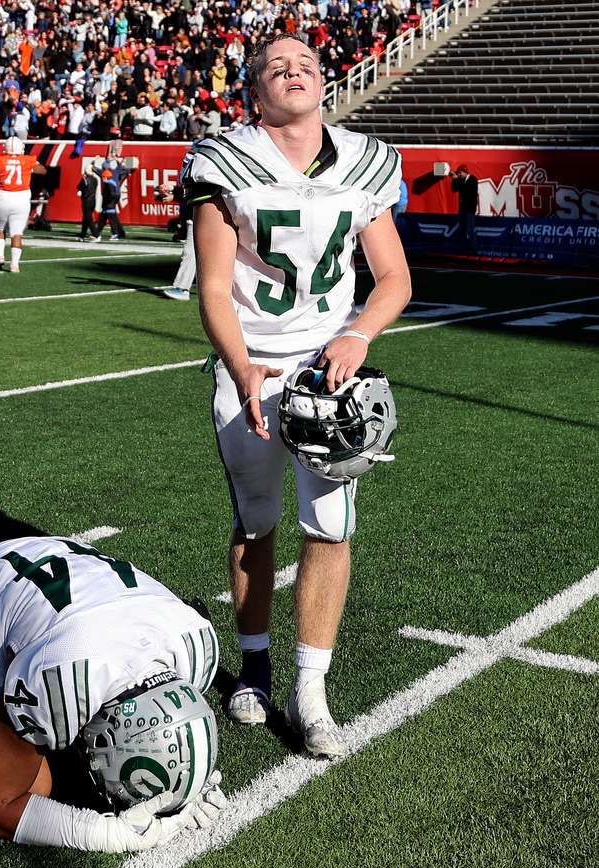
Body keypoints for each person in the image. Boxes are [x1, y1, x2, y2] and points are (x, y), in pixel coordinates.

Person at [191, 33, 411, 759]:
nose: (295, 71)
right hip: (251, 365)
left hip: (328, 369)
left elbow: (395, 279)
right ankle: (253, 665)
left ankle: (310, 689)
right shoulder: (225, 160)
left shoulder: (366, 160)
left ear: (324, 82)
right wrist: (243, 365)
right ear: (254, 91)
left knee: (332, 526)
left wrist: (359, 337)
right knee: (256, 523)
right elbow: (215, 288)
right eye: (277, 66)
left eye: (307, 64)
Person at [0, 535, 228, 850]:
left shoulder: (196, 643)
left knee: (41, 738)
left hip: (34, 565)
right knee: (30, 788)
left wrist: (190, 775)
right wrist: (106, 833)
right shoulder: (62, 681)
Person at [0, 137, 45, 273]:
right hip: (22, 199)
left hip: (4, 197)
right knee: (17, 233)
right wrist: (32, 166)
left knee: (0, 228)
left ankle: (0, 256)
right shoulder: (28, 160)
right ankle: (14, 265)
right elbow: (43, 171)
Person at [160, 144, 196, 300]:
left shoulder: (201, 170)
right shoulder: (196, 170)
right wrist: (174, 194)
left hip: (201, 218)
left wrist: (174, 192)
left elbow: (197, 191)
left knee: (190, 254)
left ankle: (182, 288)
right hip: (197, 217)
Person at [451, 165, 477, 252]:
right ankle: (462, 249)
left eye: (460, 173)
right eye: (458, 173)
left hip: (470, 210)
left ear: (465, 171)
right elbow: (454, 189)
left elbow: (467, 189)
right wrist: (454, 179)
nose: (459, 174)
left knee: (470, 230)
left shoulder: (473, 179)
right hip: (462, 210)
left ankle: (473, 249)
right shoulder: (461, 181)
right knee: (462, 230)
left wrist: (457, 179)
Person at [77, 164, 101, 240]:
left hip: (87, 201)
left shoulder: (85, 179)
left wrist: (81, 191)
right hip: (93, 201)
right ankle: (82, 235)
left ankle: (96, 235)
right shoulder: (95, 179)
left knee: (89, 219)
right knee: (86, 219)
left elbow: (81, 188)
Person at [98, 169, 124, 240]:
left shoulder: (108, 184)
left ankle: (115, 234)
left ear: (106, 177)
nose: (102, 178)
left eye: (103, 177)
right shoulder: (111, 183)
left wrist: (108, 202)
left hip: (109, 206)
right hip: (108, 206)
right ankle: (97, 233)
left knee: (111, 221)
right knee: (102, 221)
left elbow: (112, 195)